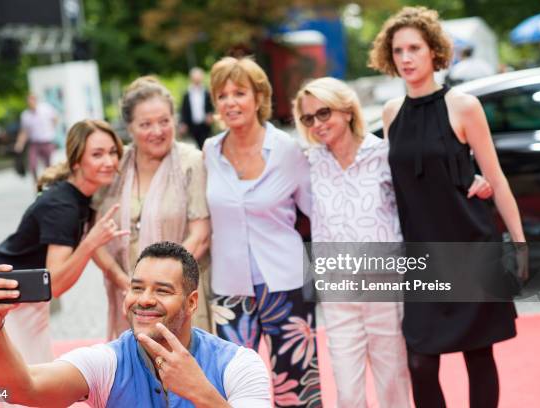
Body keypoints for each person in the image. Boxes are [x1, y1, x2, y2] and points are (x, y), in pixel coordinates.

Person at [369, 7, 525, 407]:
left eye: (414, 48)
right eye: (398, 49)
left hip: (470, 246)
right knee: (421, 362)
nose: (406, 57)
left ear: (434, 51)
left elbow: (498, 177)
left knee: (478, 354)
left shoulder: (464, 106)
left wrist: (519, 243)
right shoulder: (390, 114)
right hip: (422, 258)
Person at [0, 241, 271, 407]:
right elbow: (21, 389)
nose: (144, 300)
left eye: (162, 290)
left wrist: (200, 392)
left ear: (192, 302)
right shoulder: (107, 362)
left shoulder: (239, 364)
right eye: (137, 287)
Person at [204, 56, 322, 407]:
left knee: (296, 382)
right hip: (229, 288)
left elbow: (318, 211)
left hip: (286, 282)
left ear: (259, 98)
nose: (230, 102)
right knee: (233, 384)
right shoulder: (210, 151)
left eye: (239, 92)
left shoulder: (288, 150)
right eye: (222, 95)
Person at [0, 119, 128, 367]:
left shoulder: (80, 195)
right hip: (3, 291)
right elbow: (56, 285)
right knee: (24, 385)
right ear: (76, 161)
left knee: (38, 377)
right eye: (97, 154)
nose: (109, 161)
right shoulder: (63, 206)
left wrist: (124, 281)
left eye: (112, 152)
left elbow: (89, 248)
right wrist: (90, 243)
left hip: (27, 291)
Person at [293, 77, 411, 408]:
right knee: (347, 392)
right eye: (308, 118)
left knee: (393, 384)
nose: (317, 124)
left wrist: (473, 177)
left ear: (347, 110)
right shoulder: (308, 163)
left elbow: (422, 191)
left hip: (385, 286)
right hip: (337, 292)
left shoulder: (383, 153)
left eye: (324, 113)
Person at [95, 76, 212, 340]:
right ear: (129, 128)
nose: (157, 131)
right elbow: (91, 233)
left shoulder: (191, 162)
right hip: (127, 293)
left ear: (174, 120)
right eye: (145, 124)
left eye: (164, 121)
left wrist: (160, 282)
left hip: (177, 293)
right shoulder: (115, 165)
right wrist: (124, 281)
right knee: (134, 373)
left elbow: (201, 236)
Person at [14, 94, 59, 180]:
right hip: (35, 143)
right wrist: (19, 144)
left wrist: (51, 130)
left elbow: (55, 119)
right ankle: (37, 184)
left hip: (47, 141)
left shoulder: (46, 109)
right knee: (32, 164)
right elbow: (24, 131)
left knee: (49, 165)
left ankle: (52, 183)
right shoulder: (25, 115)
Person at [180, 67, 215, 149]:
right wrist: (183, 123)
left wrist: (210, 114)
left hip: (205, 125)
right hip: (192, 125)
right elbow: (184, 110)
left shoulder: (207, 92)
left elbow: (212, 105)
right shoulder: (187, 94)